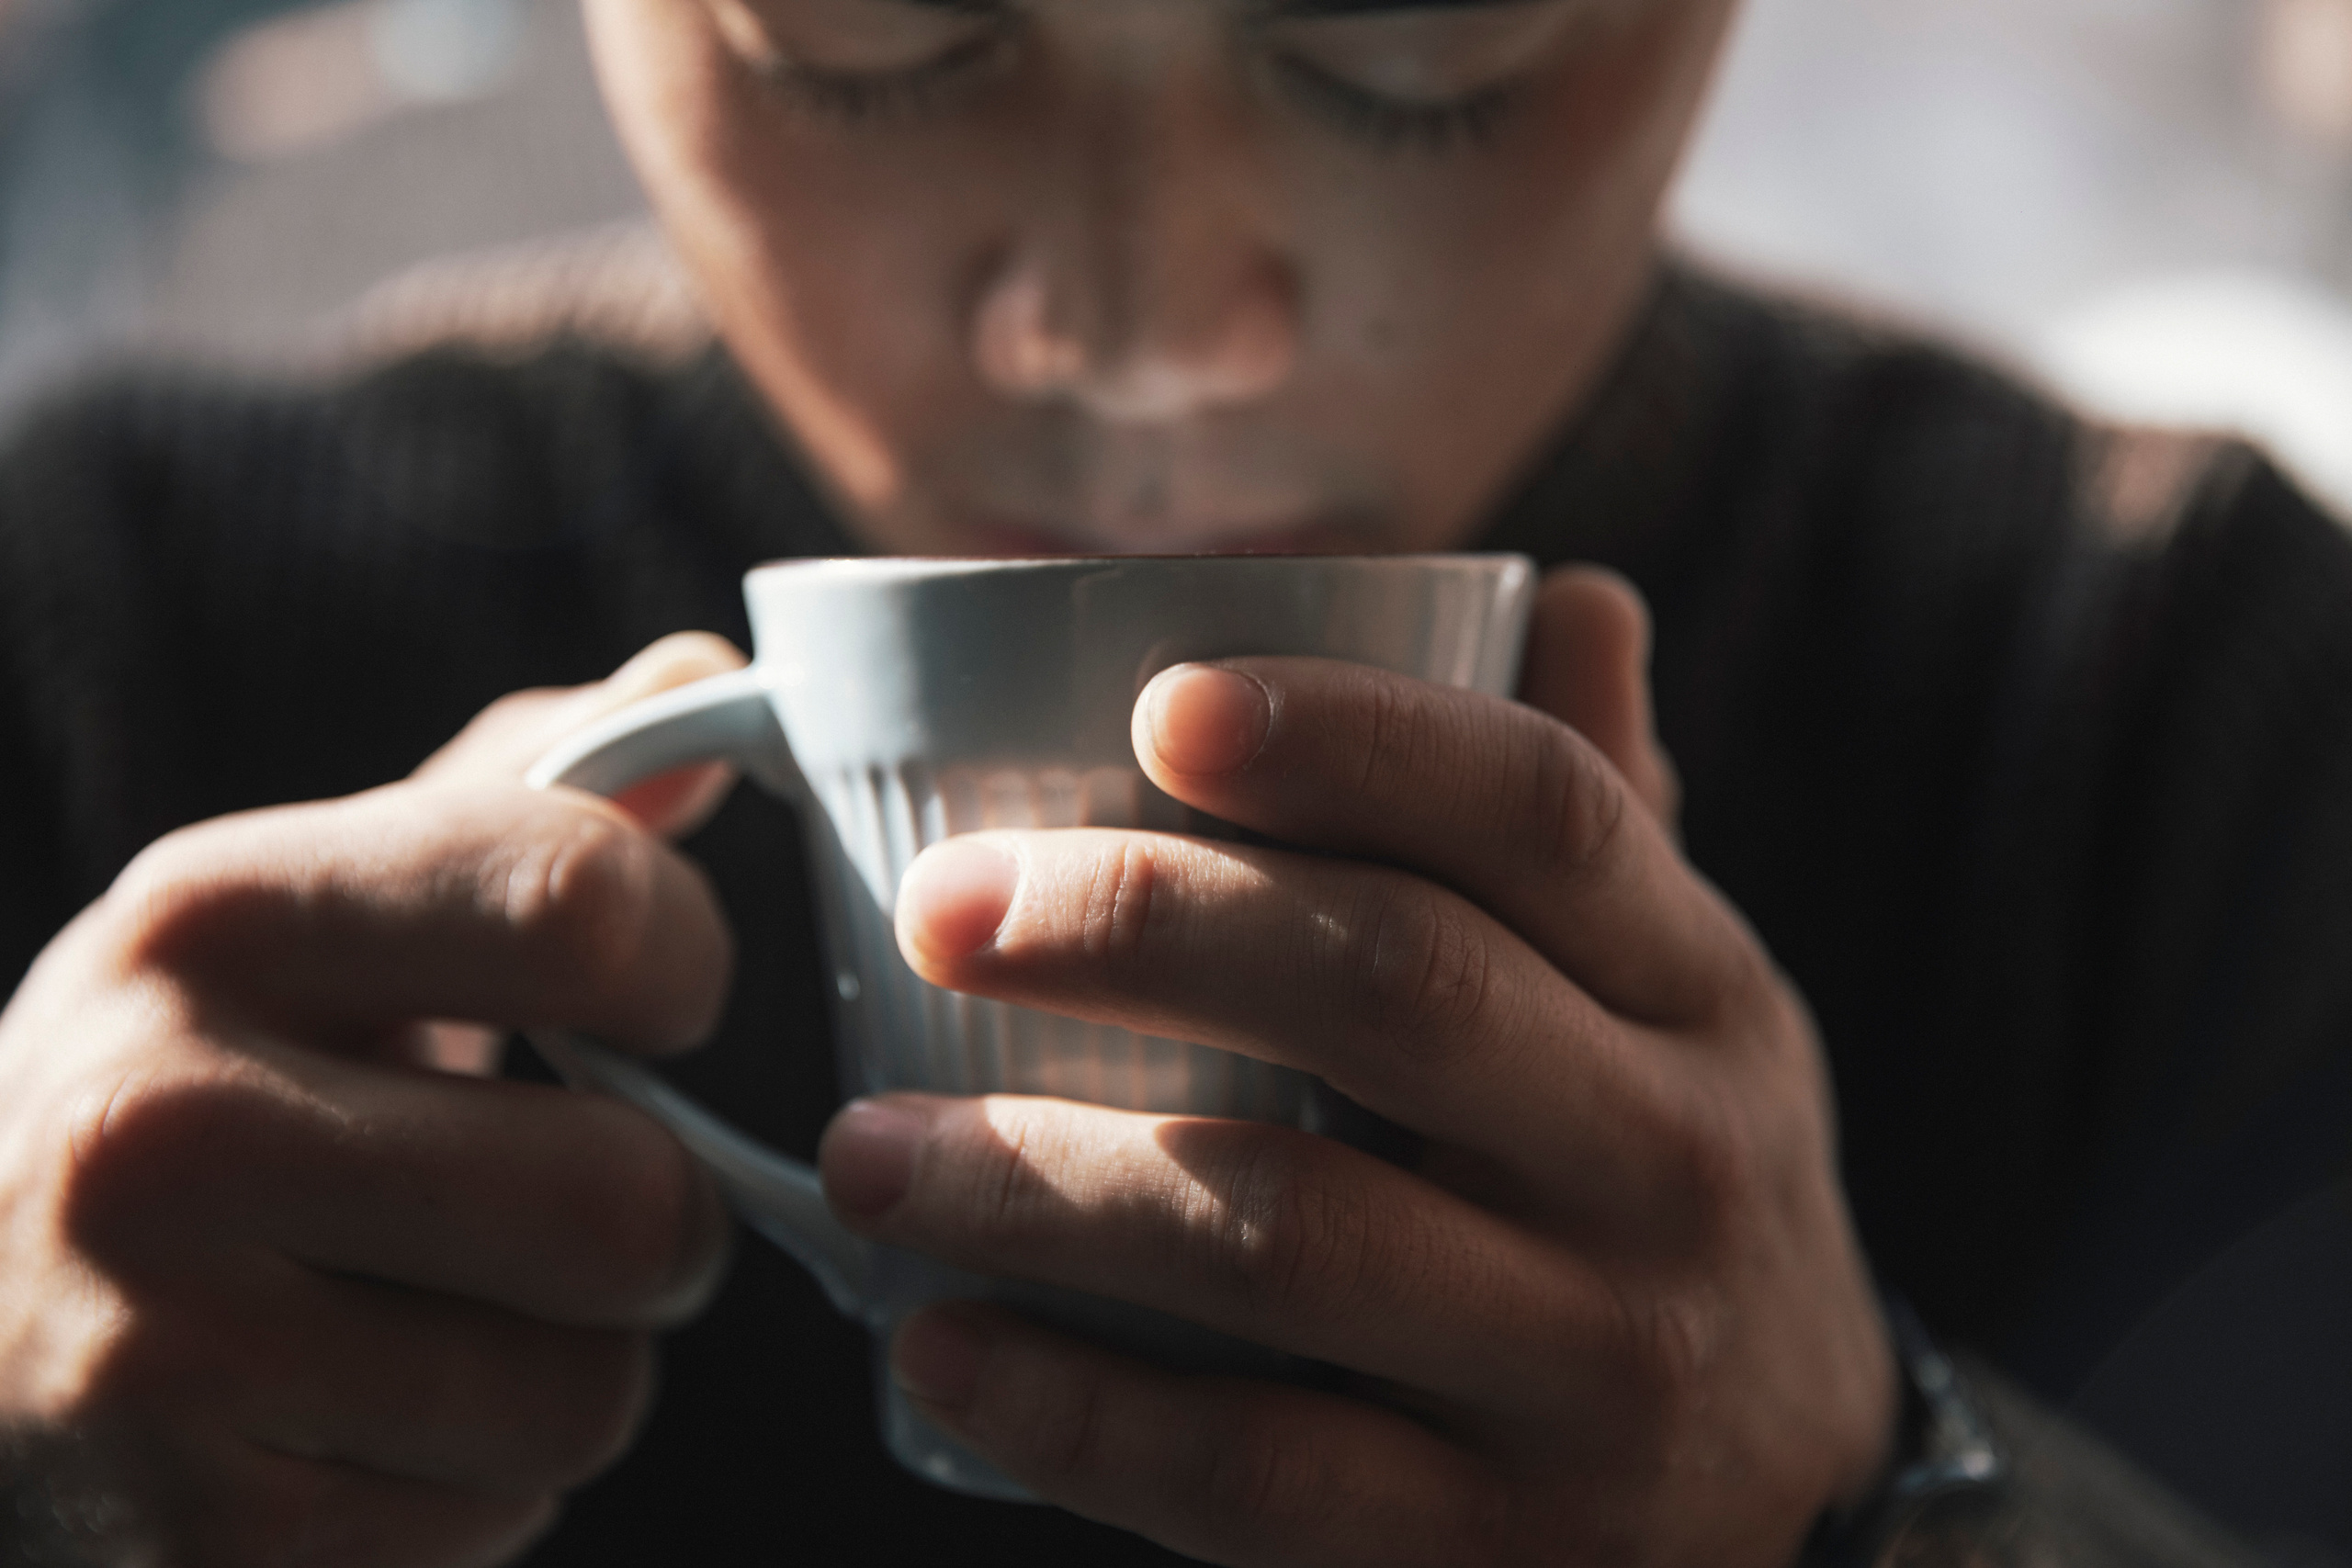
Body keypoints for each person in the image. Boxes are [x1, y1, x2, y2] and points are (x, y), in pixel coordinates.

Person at [1, 0, 2346, 1562]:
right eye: (873, 21)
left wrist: (1885, 1497)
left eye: (1418, 26)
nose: (1134, 332)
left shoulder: (2179, 715)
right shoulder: (113, 648)